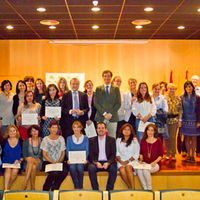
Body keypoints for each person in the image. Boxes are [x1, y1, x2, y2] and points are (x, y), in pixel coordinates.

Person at [88, 122, 117, 191]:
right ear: (96, 129)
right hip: (96, 162)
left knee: (114, 168)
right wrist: (96, 162)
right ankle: (96, 190)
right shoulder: (91, 140)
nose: (101, 130)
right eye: (99, 128)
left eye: (102, 128)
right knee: (91, 168)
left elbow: (113, 154)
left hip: (107, 162)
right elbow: (90, 155)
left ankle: (109, 190)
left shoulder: (112, 140)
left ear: (106, 129)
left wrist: (108, 163)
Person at [40, 120, 68, 191]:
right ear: (49, 129)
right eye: (53, 127)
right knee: (54, 173)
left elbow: (63, 152)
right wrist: (52, 162)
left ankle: (55, 188)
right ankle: (45, 188)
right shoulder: (45, 139)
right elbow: (44, 154)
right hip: (48, 162)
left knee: (65, 171)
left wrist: (60, 161)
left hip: (59, 161)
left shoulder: (61, 138)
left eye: (56, 128)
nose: (54, 129)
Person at [94, 70, 121, 138]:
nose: (107, 78)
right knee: (100, 137)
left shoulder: (116, 89)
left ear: (111, 77)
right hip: (100, 117)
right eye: (105, 76)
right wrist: (104, 113)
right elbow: (96, 103)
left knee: (112, 138)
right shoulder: (98, 88)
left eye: (108, 76)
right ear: (102, 77)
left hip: (113, 117)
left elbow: (118, 103)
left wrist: (110, 114)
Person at [137, 124, 163, 190]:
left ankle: (149, 188)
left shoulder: (158, 140)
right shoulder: (143, 140)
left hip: (155, 164)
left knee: (146, 170)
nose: (150, 132)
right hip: (145, 163)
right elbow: (141, 153)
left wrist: (154, 162)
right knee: (139, 170)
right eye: (148, 130)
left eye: (152, 130)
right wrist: (140, 160)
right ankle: (145, 188)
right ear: (146, 131)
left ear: (154, 132)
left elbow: (161, 155)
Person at [179, 81, 200, 162]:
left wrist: (199, 121)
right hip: (185, 120)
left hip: (194, 120)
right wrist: (180, 120)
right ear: (185, 88)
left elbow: (199, 110)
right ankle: (188, 155)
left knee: (194, 138)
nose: (189, 88)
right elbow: (180, 109)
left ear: (193, 87)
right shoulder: (182, 97)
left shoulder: (197, 97)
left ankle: (192, 156)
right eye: (187, 86)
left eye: (190, 86)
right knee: (187, 138)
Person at [116, 123, 139, 189]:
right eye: (125, 129)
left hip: (131, 160)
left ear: (131, 131)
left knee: (128, 167)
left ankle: (133, 188)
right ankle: (130, 187)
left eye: (128, 130)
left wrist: (128, 161)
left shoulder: (134, 140)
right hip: (121, 160)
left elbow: (136, 153)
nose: (126, 131)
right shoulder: (118, 140)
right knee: (122, 170)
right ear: (122, 130)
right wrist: (120, 161)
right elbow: (117, 152)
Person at [66, 121, 89, 189]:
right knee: (72, 168)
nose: (76, 129)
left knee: (80, 168)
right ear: (72, 128)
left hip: (82, 160)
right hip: (72, 160)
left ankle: (80, 187)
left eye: (78, 127)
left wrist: (86, 159)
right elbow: (68, 150)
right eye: (74, 127)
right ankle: (77, 186)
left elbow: (87, 150)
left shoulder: (85, 138)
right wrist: (69, 159)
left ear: (81, 128)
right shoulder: (69, 138)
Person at [21, 125, 42, 190]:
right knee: (33, 166)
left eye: (36, 130)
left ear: (38, 131)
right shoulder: (26, 141)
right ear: (30, 133)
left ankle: (24, 184)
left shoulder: (42, 140)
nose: (34, 132)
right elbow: (24, 155)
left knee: (32, 162)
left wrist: (40, 159)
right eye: (32, 131)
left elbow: (44, 154)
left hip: (39, 162)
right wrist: (28, 159)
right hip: (28, 163)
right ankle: (33, 187)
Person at [2, 125, 23, 190]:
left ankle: (8, 187)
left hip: (17, 162)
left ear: (16, 132)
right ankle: (6, 189)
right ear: (7, 132)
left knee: (14, 171)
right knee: (8, 169)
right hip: (6, 162)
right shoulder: (4, 141)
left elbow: (23, 155)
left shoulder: (20, 141)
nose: (12, 132)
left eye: (14, 131)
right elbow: (1, 153)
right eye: (10, 131)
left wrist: (19, 160)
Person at [165, 83, 182, 161]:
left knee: (173, 137)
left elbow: (180, 111)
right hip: (166, 120)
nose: (172, 90)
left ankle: (173, 154)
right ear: (167, 89)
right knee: (167, 137)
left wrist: (180, 120)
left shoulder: (178, 99)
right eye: (170, 89)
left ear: (175, 90)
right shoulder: (164, 98)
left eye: (173, 89)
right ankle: (167, 153)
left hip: (174, 120)